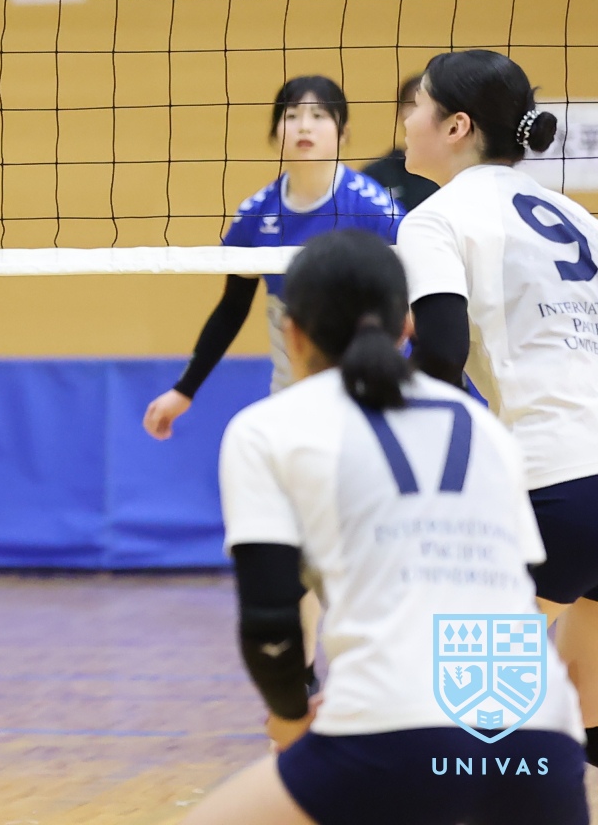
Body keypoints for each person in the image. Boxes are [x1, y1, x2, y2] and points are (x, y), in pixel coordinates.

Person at [185, 229, 585, 825]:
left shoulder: (267, 428)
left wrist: (290, 719)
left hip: (390, 731)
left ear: (292, 333)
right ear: (407, 327)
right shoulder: (484, 428)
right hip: (538, 730)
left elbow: (270, 622)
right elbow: (513, 588)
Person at [394, 48, 598, 768]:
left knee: (470, 727)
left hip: (557, 484)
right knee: (587, 713)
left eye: (417, 104)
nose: (406, 120)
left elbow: (441, 355)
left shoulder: (435, 220)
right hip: (581, 476)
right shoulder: (579, 217)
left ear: (456, 126)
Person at [146, 75, 406, 440]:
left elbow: (419, 295)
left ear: (343, 132)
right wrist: (183, 390)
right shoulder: (255, 214)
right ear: (274, 133)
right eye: (292, 115)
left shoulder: (373, 208)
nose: (304, 126)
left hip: (371, 389)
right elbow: (232, 308)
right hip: (293, 391)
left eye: (319, 115)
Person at [359, 73, 440, 213]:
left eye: (429, 105)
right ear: (400, 111)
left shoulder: (455, 172)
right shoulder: (375, 174)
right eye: (413, 103)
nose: (420, 112)